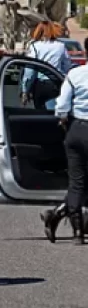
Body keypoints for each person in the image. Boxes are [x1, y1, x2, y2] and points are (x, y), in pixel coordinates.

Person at [55, 59, 88, 244]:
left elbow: (62, 104)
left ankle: (77, 232)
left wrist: (62, 119)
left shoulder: (75, 74)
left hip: (77, 128)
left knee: (76, 181)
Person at [21, 21, 72, 110]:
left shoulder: (35, 47)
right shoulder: (61, 46)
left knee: (40, 113)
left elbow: (30, 71)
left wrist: (25, 90)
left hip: (40, 85)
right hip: (56, 83)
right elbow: (67, 67)